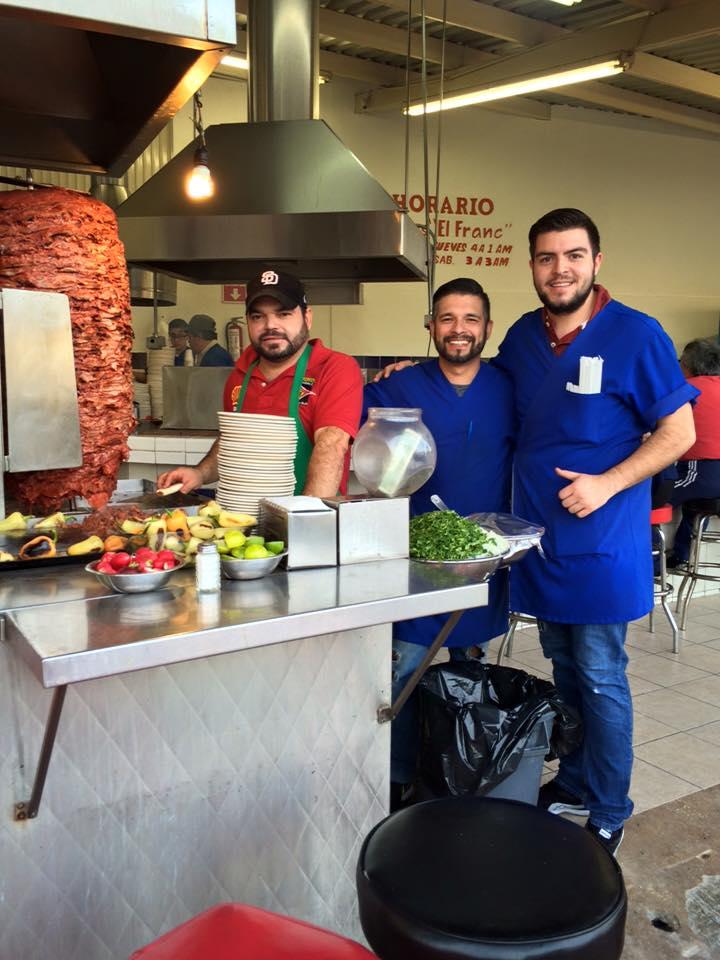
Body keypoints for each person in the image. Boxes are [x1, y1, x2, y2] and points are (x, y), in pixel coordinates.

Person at [492, 208, 697, 856]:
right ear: (532, 267)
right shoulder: (524, 339)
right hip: (541, 540)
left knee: (602, 672)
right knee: (563, 666)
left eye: (573, 255)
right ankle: (576, 779)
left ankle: (610, 804)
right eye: (547, 258)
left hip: (603, 539)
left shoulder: (637, 335)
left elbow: (680, 433)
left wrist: (607, 483)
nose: (560, 270)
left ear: (596, 261)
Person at [363, 277, 514, 806]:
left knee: (469, 666)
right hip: (414, 553)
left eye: (470, 319)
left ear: (487, 328)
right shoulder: (397, 386)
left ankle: (458, 775)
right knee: (402, 667)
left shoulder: (507, 386)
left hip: (478, 556)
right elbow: (345, 421)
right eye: (447, 318)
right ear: (430, 326)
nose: (458, 329)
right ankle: (397, 778)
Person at [157, 269, 363, 497]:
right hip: (241, 521)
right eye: (258, 316)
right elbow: (232, 442)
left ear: (307, 318)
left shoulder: (334, 368)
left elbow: (331, 446)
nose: (270, 326)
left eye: (283, 314)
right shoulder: (239, 377)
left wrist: (304, 520)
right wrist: (200, 474)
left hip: (306, 519)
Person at [666, 337, 720, 566]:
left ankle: (652, 561)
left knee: (646, 497)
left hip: (702, 471)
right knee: (697, 504)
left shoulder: (686, 390)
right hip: (710, 481)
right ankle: (681, 556)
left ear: (687, 365)